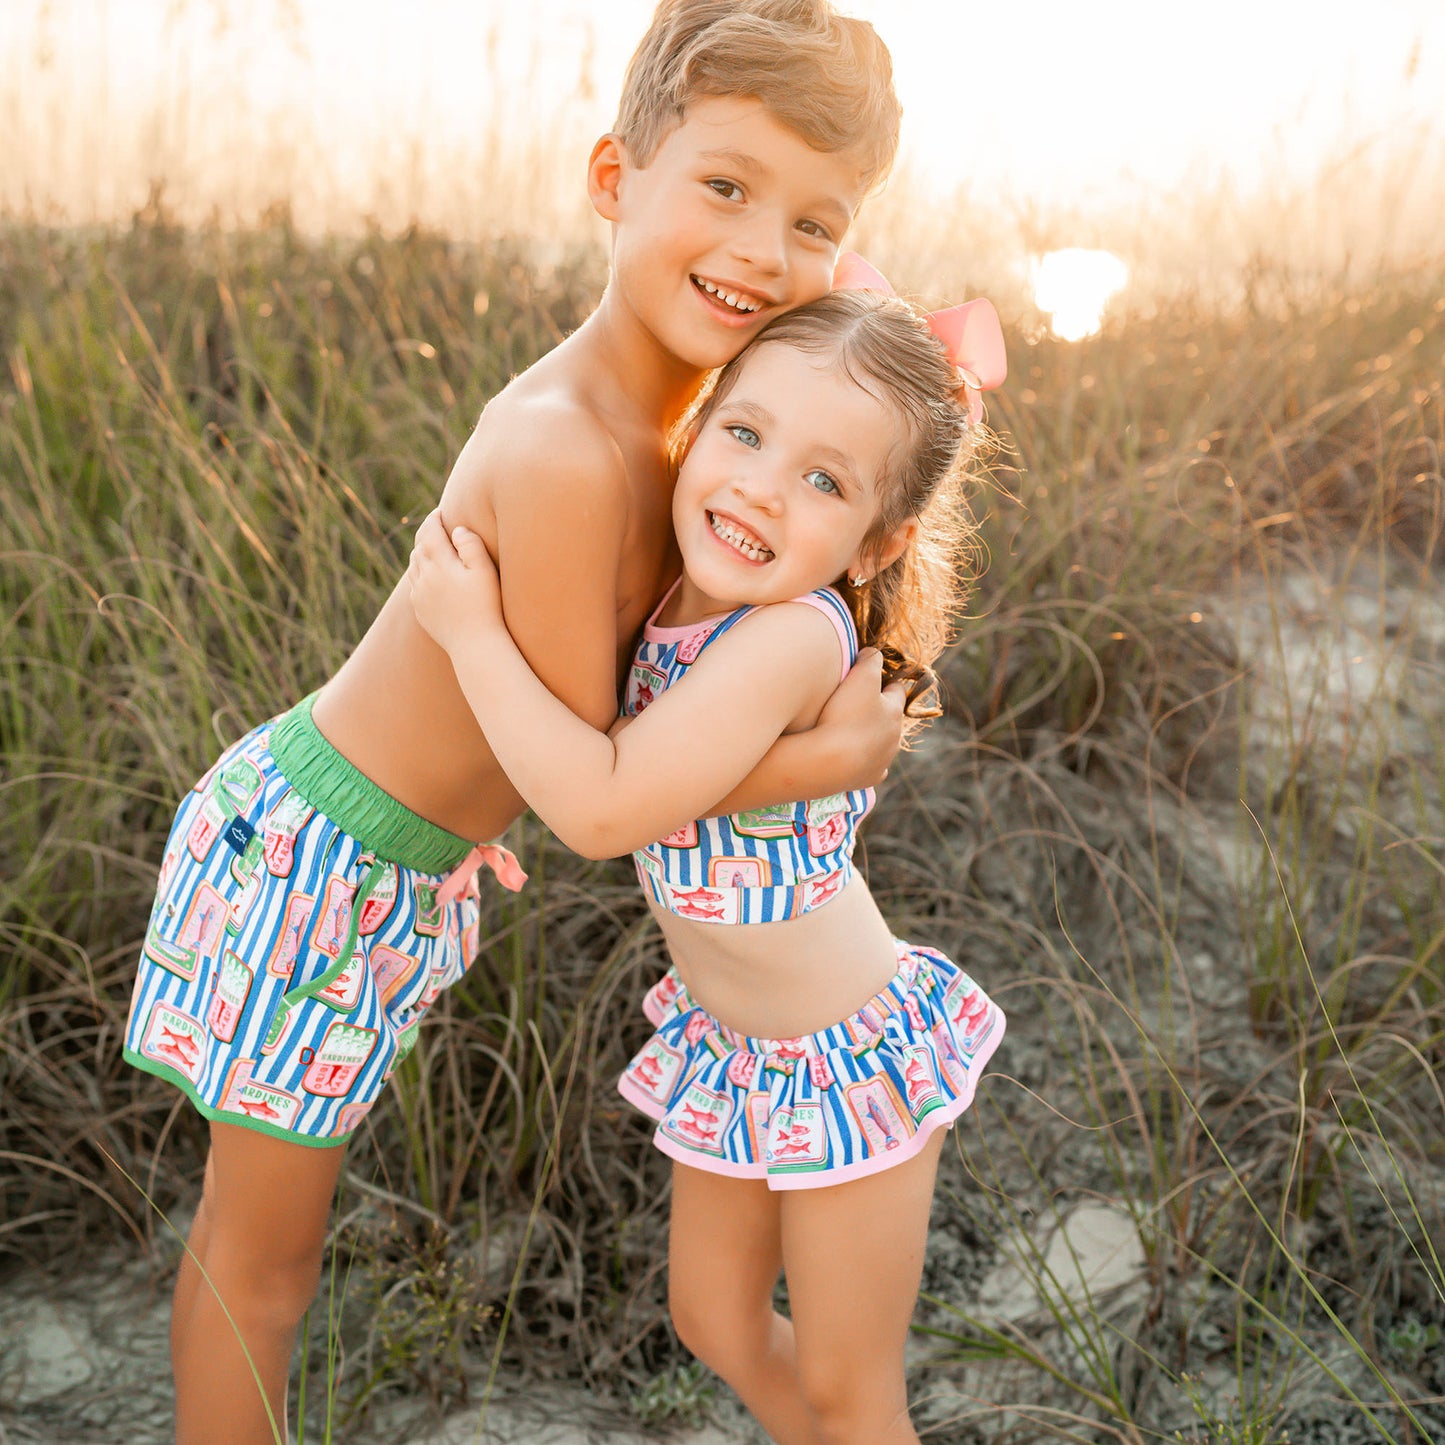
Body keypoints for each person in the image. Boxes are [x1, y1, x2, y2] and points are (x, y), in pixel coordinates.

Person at [120, 5, 906, 1441]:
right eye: (722, 188)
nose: (757, 250)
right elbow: (595, 788)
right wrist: (830, 760)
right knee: (263, 1263)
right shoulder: (565, 450)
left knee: (259, 1254)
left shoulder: (699, 429)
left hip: (395, 868)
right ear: (617, 179)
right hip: (316, 861)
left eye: (812, 221)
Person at [408, 273, 1009, 1445]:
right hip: (737, 1044)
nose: (758, 487)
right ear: (697, 427)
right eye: (743, 432)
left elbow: (600, 805)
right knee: (714, 1318)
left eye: (822, 480)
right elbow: (640, 769)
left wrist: (470, 631)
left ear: (875, 540)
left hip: (844, 1057)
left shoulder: (791, 631)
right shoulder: (682, 584)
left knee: (851, 1388)